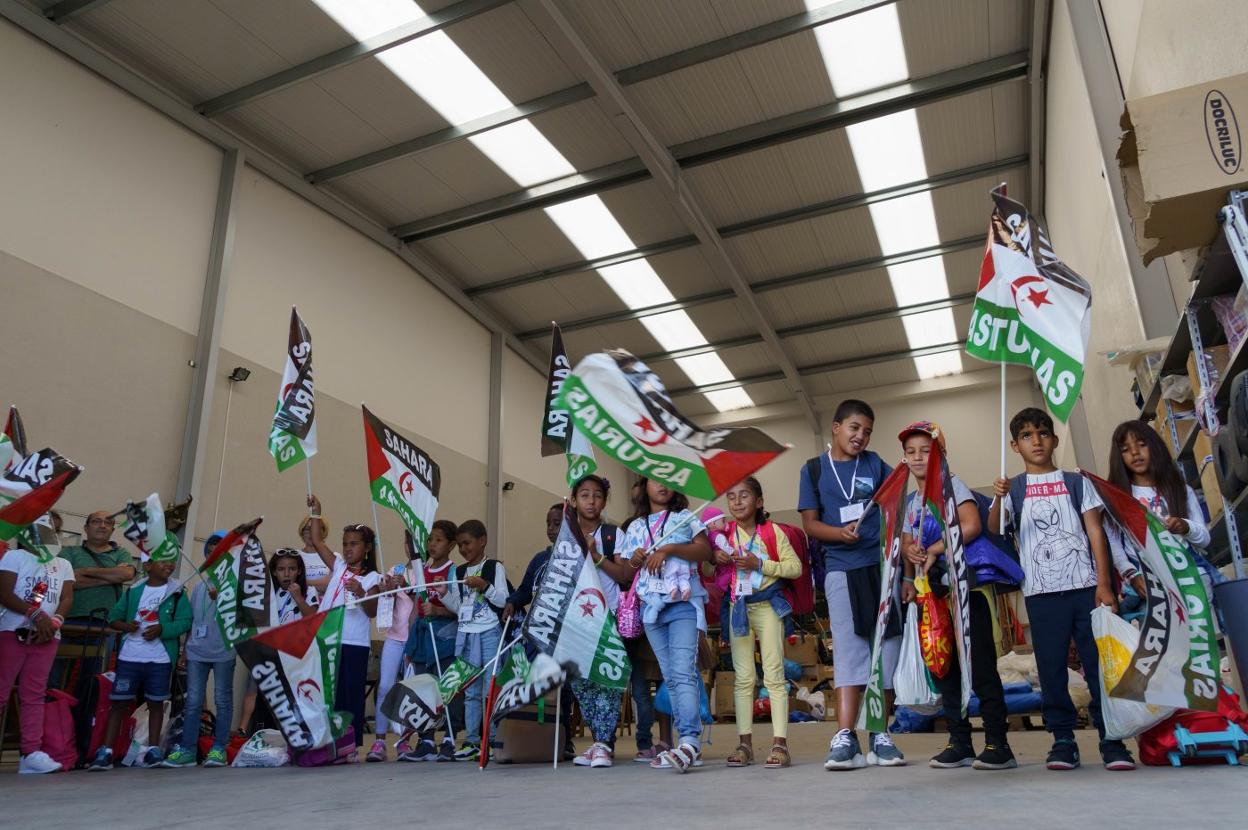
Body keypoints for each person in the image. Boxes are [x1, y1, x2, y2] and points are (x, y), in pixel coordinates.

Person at [987, 407, 1136, 771]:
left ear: (1053, 440)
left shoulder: (1077, 482)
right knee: (1051, 668)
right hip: (1040, 593)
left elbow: (1095, 532)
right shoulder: (1015, 489)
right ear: (1015, 445)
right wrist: (997, 497)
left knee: (1098, 666)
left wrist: (1104, 584)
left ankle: (1112, 738)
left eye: (1042, 433)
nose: (1035, 441)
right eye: (1026, 436)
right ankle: (1063, 740)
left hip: (1085, 588)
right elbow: (994, 528)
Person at [897, 422, 1015, 770]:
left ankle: (998, 743)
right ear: (904, 459)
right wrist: (913, 553)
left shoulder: (952, 485)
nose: (919, 458)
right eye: (912, 452)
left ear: (940, 455)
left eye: (926, 451)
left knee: (980, 666)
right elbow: (905, 542)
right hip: (931, 595)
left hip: (965, 591)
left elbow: (971, 524)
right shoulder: (910, 502)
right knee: (944, 668)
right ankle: (960, 741)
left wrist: (932, 548)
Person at [798, 399, 904, 770]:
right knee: (850, 650)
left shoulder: (876, 465)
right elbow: (810, 523)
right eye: (855, 428)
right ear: (836, 427)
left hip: (882, 568)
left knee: (885, 651)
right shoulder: (813, 470)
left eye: (868, 431)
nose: (861, 436)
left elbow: (904, 494)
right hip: (841, 568)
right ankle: (846, 739)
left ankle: (880, 734)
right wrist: (838, 534)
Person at [619, 477, 712, 772]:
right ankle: (685, 744)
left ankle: (689, 741)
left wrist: (670, 548)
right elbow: (625, 573)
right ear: (644, 487)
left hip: (682, 604)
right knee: (670, 676)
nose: (661, 485)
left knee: (684, 672)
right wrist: (634, 560)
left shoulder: (685, 518)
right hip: (651, 609)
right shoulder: (634, 527)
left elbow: (704, 551)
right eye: (654, 481)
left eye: (667, 480)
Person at [720, 477, 800, 770]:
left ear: (760, 501)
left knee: (774, 675)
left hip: (768, 606)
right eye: (731, 497)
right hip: (738, 608)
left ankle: (780, 744)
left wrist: (761, 565)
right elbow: (706, 567)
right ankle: (745, 744)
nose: (737, 502)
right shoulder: (724, 533)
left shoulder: (773, 531)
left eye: (744, 495)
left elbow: (795, 568)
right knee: (743, 679)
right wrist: (715, 558)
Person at [88, 558, 191, 770]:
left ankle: (153, 749)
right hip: (130, 656)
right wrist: (127, 626)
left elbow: (185, 621)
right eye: (163, 562)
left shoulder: (178, 591)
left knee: (156, 704)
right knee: (119, 702)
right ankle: (106, 751)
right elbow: (114, 618)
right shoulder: (134, 590)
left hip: (160, 658)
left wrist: (162, 629)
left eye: (172, 562)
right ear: (148, 566)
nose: (169, 566)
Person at [563, 475, 632, 769]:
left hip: (608, 615)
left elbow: (626, 576)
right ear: (575, 499)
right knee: (582, 682)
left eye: (597, 496)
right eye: (584, 495)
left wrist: (596, 557)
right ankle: (598, 740)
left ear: (604, 500)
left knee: (607, 680)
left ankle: (604, 742)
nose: (591, 502)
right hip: (576, 619)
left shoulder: (613, 534)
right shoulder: (567, 533)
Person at [305, 495, 381, 759]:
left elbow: (372, 611)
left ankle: (351, 746)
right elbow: (317, 541)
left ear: (367, 548)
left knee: (351, 695)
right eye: (345, 544)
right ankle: (329, 742)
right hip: (328, 639)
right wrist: (317, 511)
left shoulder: (373, 577)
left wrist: (360, 591)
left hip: (355, 643)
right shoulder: (337, 565)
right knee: (329, 694)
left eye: (354, 544)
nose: (348, 549)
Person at [1106, 420, 1207, 598]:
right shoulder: (1117, 498)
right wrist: (1131, 574)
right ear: (1119, 457)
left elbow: (1205, 539)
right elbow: (1114, 544)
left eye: (1141, 444)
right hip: (1147, 579)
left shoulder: (1181, 490)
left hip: (1188, 573)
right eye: (1125, 449)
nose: (1135, 453)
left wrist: (1185, 526)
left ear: (1155, 447)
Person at [0, 538, 75, 773]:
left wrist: (54, 622)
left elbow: (66, 597)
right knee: (1, 691)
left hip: (48, 634)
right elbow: (4, 592)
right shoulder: (15, 557)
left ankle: (30, 752)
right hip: (12, 629)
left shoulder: (62, 563)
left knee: (34, 694)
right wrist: (34, 614)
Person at [163, 533, 237, 768]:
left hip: (224, 650)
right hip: (197, 650)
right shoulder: (197, 586)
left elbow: (241, 619)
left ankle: (219, 749)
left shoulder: (235, 584)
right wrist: (185, 650)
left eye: (219, 552)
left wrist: (224, 599)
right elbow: (194, 620)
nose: (213, 556)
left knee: (222, 699)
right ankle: (187, 749)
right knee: (193, 701)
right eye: (209, 552)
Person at [440, 519, 508, 761]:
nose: (463, 549)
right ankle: (471, 740)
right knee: (470, 690)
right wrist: (445, 596)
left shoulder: (493, 567)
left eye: (467, 543)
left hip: (490, 632)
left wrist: (485, 586)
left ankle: (494, 739)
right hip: (467, 634)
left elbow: (503, 600)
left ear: (483, 541)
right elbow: (460, 608)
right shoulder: (458, 572)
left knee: (492, 687)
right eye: (459, 545)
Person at [234, 547, 317, 737]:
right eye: (281, 569)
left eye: (291, 569)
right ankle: (263, 736)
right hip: (268, 653)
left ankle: (295, 738)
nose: (286, 574)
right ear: (273, 571)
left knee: (293, 699)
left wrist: (298, 598)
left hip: (295, 655)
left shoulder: (307, 591)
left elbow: (312, 620)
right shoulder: (267, 592)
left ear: (299, 571)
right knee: (267, 698)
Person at [399, 519, 464, 762]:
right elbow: (416, 606)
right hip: (421, 637)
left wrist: (437, 611)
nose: (432, 544)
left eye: (438, 540)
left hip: (444, 635)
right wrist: (409, 642)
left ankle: (449, 737)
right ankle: (426, 740)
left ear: (451, 545)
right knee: (423, 689)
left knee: (446, 688)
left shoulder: (452, 571)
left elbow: (459, 609)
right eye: (430, 539)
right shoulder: (421, 569)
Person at [369, 532, 423, 762]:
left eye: (418, 543)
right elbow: (385, 594)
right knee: (384, 687)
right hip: (393, 638)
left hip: (414, 640)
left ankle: (404, 741)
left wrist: (408, 586)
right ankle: (380, 741)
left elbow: (423, 597)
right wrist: (387, 586)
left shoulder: (425, 573)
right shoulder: (397, 569)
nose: (412, 547)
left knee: (409, 691)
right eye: (409, 542)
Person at [503, 504, 563, 623]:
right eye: (548, 524)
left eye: (556, 524)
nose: (550, 528)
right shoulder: (539, 558)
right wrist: (512, 602)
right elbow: (526, 590)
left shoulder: (578, 558)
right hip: (539, 626)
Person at [296, 514, 331, 603]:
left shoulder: (333, 556)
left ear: (323, 532)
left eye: (316, 528)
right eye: (308, 529)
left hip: (326, 608)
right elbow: (291, 584)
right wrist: (320, 583)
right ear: (302, 532)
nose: (312, 533)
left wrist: (301, 583)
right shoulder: (295, 557)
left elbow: (330, 585)